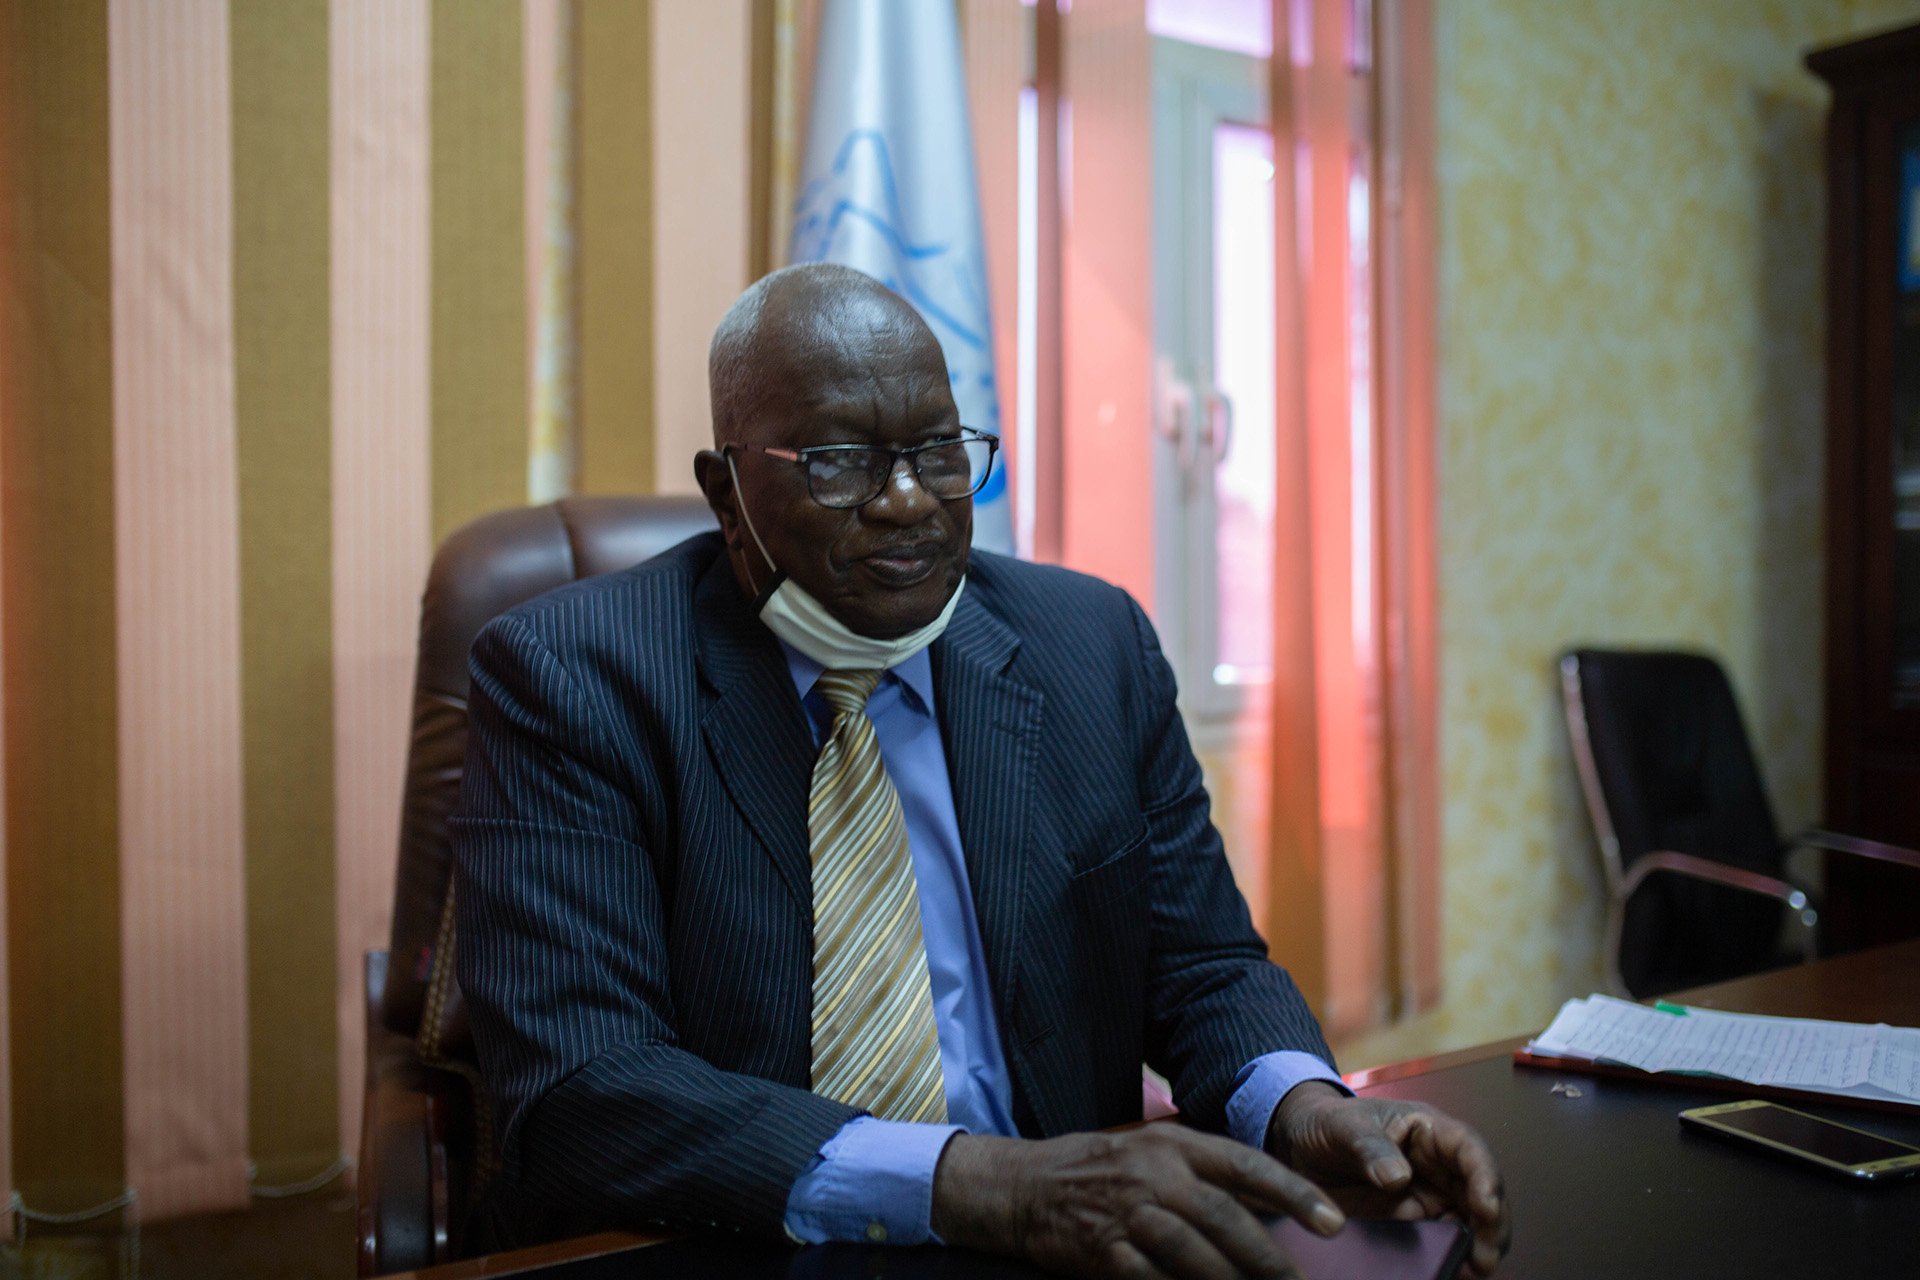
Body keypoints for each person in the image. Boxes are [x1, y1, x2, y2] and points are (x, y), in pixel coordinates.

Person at [453, 263, 1509, 1278]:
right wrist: (987, 1182)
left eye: (938, 450)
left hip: (1065, 1244)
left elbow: (1201, 966)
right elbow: (587, 1086)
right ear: (727, 494)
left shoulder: (1089, 644)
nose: (909, 500)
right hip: (739, 1237)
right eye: (839, 460)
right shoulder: (573, 678)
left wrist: (1305, 1106)